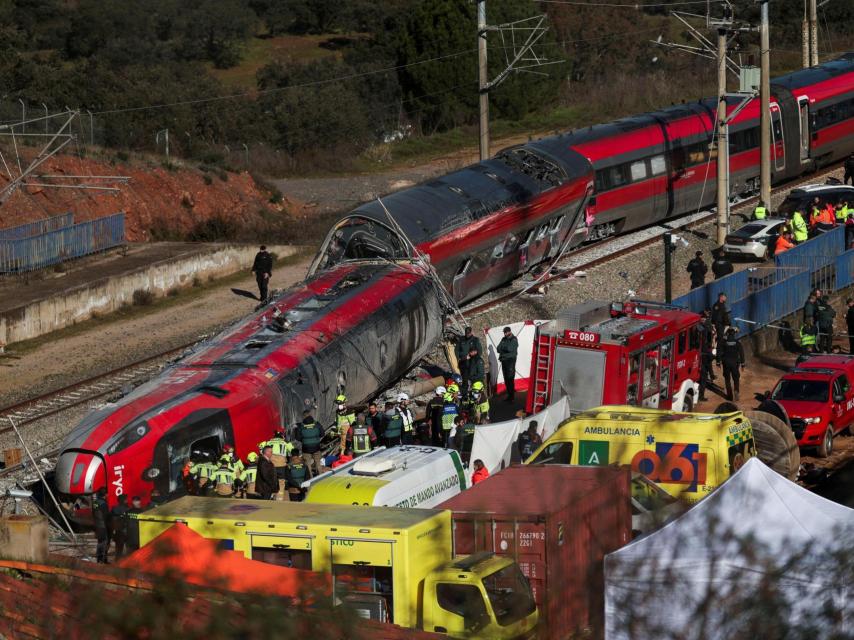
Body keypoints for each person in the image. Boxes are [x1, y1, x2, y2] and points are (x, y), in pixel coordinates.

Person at [717, 327, 745, 401]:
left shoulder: (724, 343)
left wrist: (718, 362)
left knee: (727, 379)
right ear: (734, 334)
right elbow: (742, 354)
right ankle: (736, 391)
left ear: (728, 334)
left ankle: (729, 396)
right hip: (735, 364)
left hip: (726, 363)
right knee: (736, 378)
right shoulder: (738, 343)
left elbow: (719, 352)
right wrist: (742, 364)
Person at [456, 327, 481, 395]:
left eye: (469, 333)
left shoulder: (475, 340)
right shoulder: (461, 339)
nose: (468, 335)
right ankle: (465, 395)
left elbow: (479, 351)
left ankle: (475, 394)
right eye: (466, 333)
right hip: (463, 363)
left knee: (473, 379)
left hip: (472, 362)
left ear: (471, 332)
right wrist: (459, 358)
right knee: (465, 380)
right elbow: (457, 350)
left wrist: (474, 356)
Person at [497, 326, 519, 402]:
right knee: (506, 379)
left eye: (506, 332)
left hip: (510, 361)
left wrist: (503, 348)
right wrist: (505, 348)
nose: (505, 334)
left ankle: (512, 397)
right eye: (504, 332)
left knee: (510, 378)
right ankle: (509, 395)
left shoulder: (514, 339)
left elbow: (510, 349)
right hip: (504, 360)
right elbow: (498, 348)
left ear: (510, 331)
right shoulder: (503, 339)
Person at [92, 488, 111, 564]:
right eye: (107, 494)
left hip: (97, 525)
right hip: (103, 526)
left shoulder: (95, 503)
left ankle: (99, 559)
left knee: (100, 542)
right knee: (104, 542)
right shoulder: (103, 504)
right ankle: (102, 560)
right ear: (105, 494)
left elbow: (93, 513)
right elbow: (106, 516)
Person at [110, 495, 130, 560]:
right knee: (128, 550)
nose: (127, 501)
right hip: (125, 531)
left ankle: (117, 562)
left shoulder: (114, 508)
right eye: (126, 499)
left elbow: (111, 520)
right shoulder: (127, 509)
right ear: (123, 500)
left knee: (118, 550)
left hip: (118, 532)